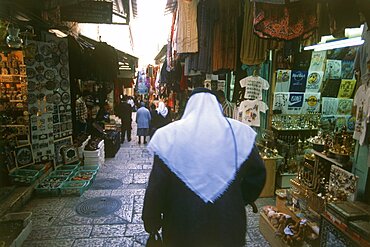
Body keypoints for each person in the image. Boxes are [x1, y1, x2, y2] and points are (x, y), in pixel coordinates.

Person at [142, 88, 266, 247]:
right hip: (227, 223)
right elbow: (257, 174)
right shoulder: (239, 132)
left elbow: (157, 186)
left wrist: (151, 220)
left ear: (189, 106)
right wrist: (238, 198)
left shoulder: (169, 135)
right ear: (217, 106)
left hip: (181, 225)